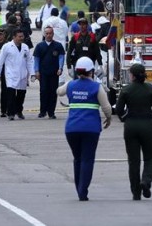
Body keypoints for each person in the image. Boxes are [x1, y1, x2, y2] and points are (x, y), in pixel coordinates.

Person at [56, 57, 112, 201]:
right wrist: (108, 118)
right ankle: (83, 191)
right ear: (91, 71)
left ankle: (78, 188)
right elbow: (106, 107)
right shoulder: (96, 87)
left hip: (72, 129)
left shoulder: (71, 84)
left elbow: (59, 91)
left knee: (78, 159)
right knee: (87, 159)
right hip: (91, 129)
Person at [115, 63, 152, 201]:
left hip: (131, 126)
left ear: (132, 76)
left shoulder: (126, 90)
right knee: (151, 157)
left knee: (133, 161)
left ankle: (136, 192)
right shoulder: (151, 89)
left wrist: (125, 119)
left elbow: (119, 110)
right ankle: (146, 181)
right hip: (147, 126)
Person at [0, 29, 34, 120]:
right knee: (11, 95)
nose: (21, 38)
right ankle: (11, 113)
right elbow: (0, 61)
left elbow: (29, 61)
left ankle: (19, 111)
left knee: (21, 95)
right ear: (14, 37)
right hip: (10, 74)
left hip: (22, 75)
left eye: (22, 36)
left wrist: (32, 73)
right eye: (19, 37)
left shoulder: (25, 47)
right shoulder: (7, 46)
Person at [34, 26, 65, 119]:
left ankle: (51, 112)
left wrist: (60, 68)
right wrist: (36, 71)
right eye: (46, 33)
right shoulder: (39, 46)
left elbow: (61, 57)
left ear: (53, 34)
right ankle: (42, 111)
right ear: (44, 34)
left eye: (50, 33)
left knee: (52, 92)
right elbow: (36, 59)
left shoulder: (58, 46)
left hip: (54, 73)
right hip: (43, 73)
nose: (48, 35)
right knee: (43, 91)